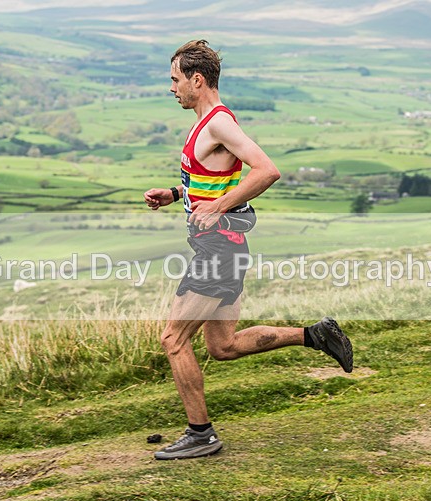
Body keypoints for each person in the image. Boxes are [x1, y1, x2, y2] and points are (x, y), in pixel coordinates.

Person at [143, 40, 352, 460]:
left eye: (175, 79)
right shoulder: (208, 124)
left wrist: (220, 206)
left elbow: (267, 170)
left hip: (217, 251)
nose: (171, 88)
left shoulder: (218, 123)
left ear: (196, 80)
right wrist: (173, 194)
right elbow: (209, 180)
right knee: (222, 347)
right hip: (226, 247)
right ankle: (315, 335)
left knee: (173, 339)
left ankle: (200, 434)